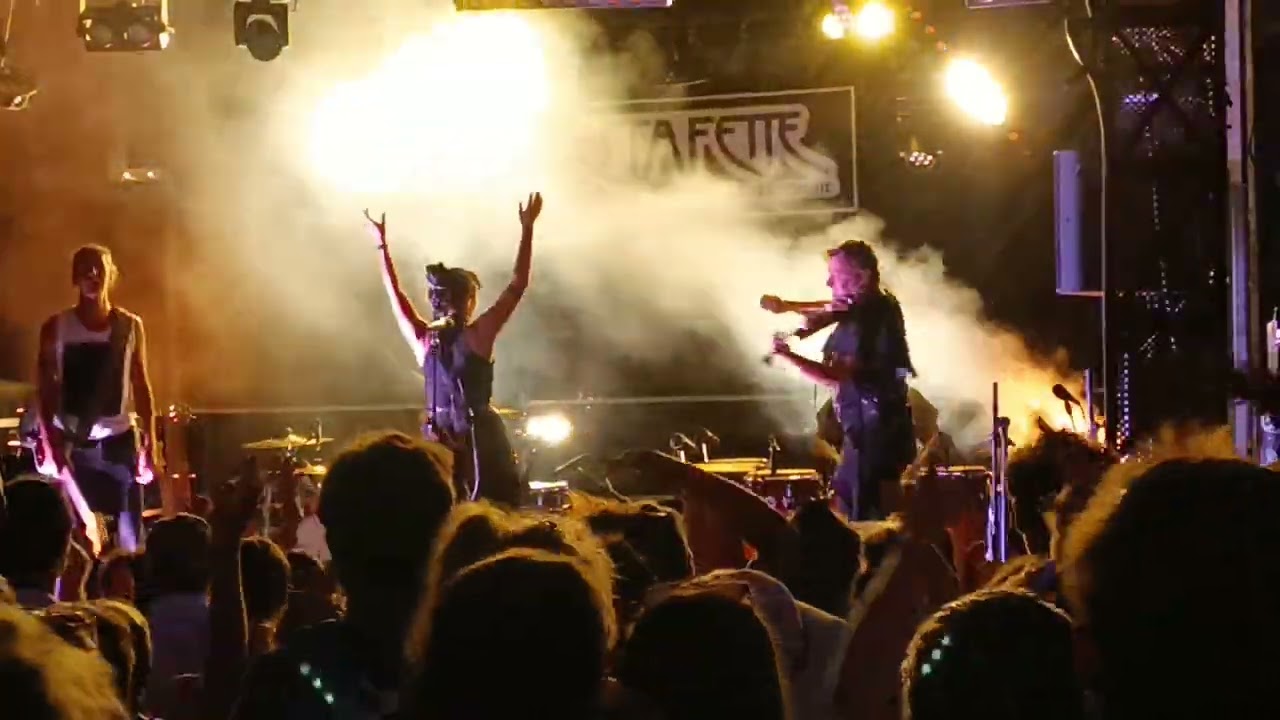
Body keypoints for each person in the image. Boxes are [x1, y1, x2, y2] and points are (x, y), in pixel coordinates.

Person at [364, 193, 541, 505]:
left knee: (488, 508)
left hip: (479, 445)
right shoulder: (426, 340)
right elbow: (397, 298)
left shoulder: (476, 336)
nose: (437, 301)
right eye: (436, 295)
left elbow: (518, 285)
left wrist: (527, 230)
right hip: (438, 445)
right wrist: (382, 248)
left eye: (445, 295)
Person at [763, 240, 915, 521]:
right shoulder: (875, 304)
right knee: (857, 508)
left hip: (873, 440)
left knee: (864, 519)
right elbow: (831, 307)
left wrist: (787, 356)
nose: (829, 281)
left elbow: (838, 377)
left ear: (861, 277)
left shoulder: (869, 318)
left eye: (837, 275)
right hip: (874, 434)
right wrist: (788, 307)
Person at [35, 244, 158, 553]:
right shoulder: (56, 328)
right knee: (83, 539)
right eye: (84, 268)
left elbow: (141, 384)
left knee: (131, 537)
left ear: (111, 275)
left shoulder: (130, 327)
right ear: (74, 278)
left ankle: (126, 594)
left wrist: (150, 443)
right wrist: (52, 447)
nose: (91, 274)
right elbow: (46, 391)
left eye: (98, 268)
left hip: (120, 442)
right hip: (77, 444)